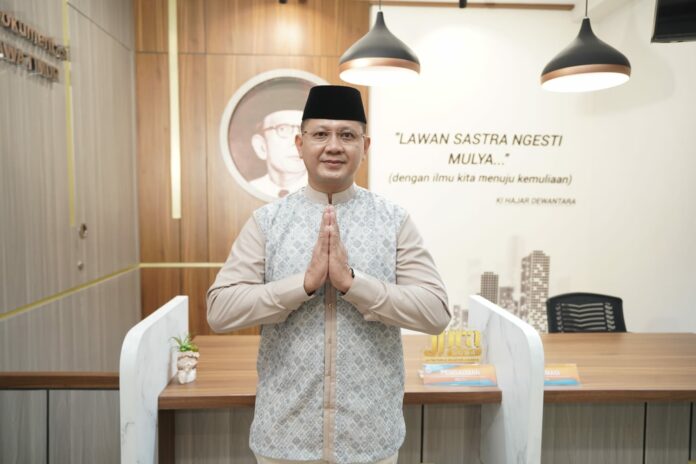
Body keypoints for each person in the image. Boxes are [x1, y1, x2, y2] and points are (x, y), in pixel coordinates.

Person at [207, 85, 450, 464]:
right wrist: (301, 286)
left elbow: (435, 313)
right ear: (300, 143)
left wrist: (354, 283)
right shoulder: (268, 223)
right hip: (283, 440)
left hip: (370, 440)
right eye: (321, 134)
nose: (333, 146)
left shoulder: (393, 221)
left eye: (347, 135)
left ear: (365, 147)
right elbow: (220, 310)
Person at [250, 109, 308, 198]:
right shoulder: (251, 189)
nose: (298, 142)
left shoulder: (326, 192)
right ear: (261, 146)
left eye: (305, 131)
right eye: (283, 129)